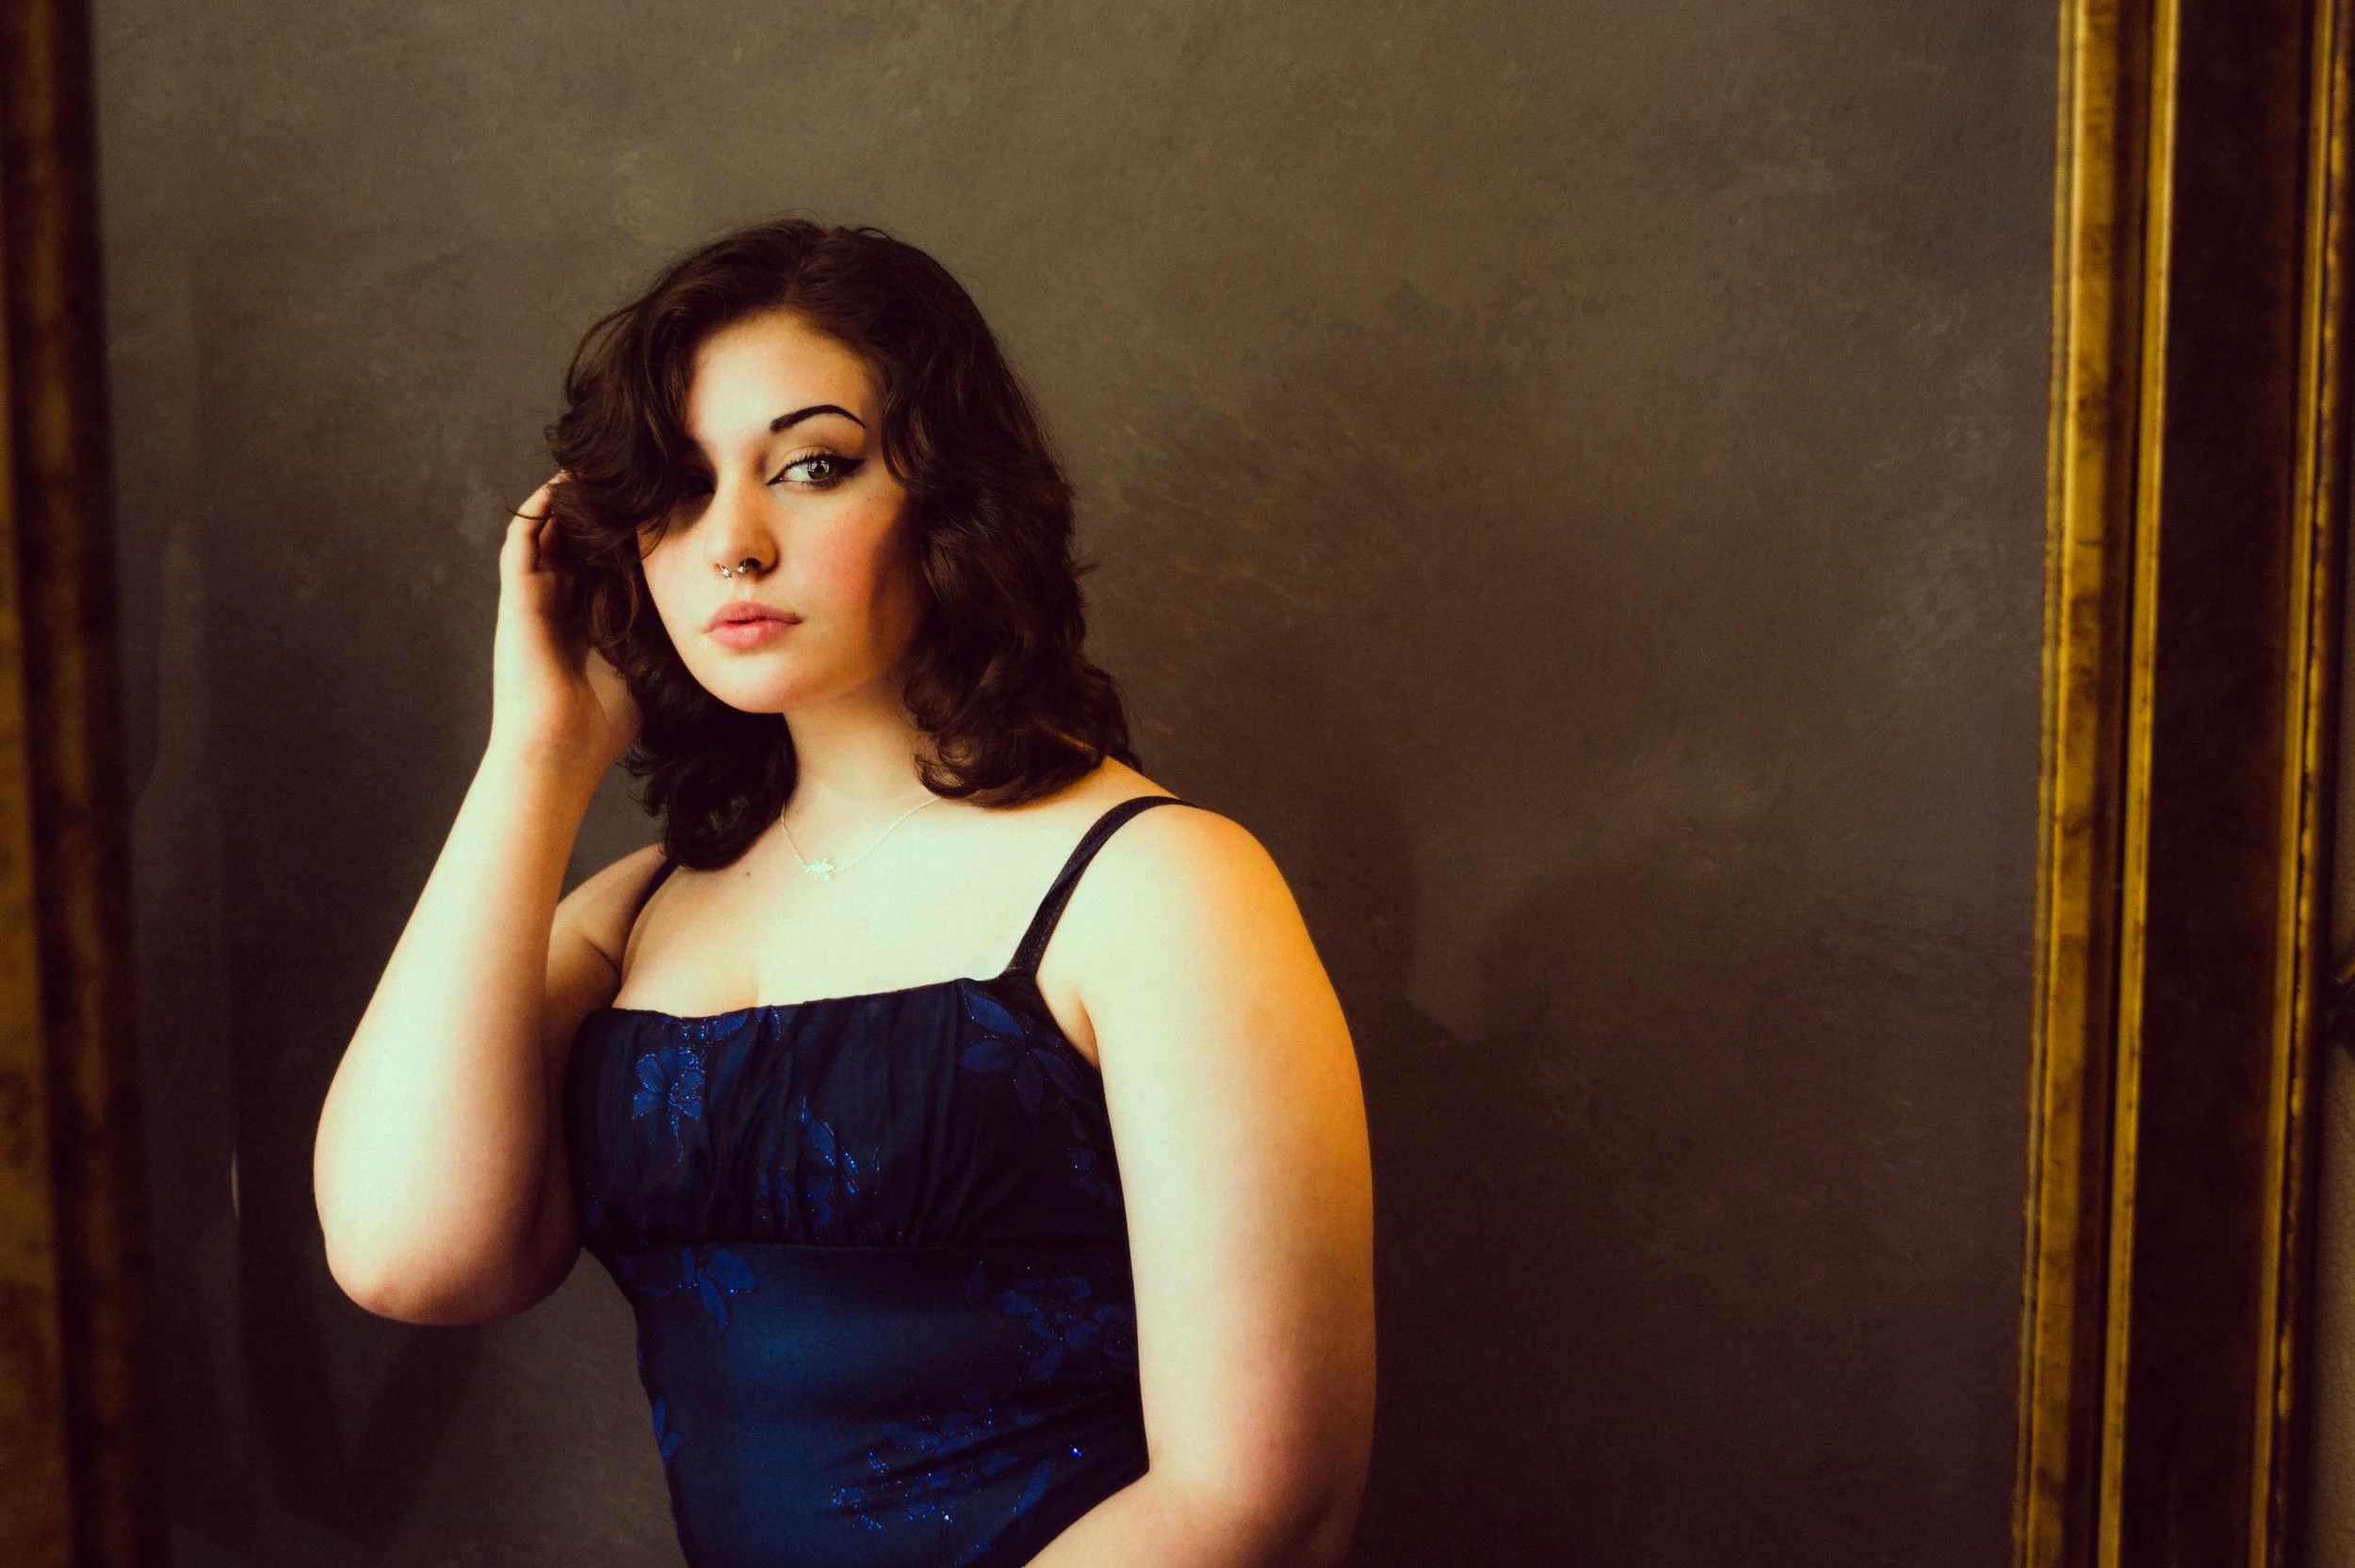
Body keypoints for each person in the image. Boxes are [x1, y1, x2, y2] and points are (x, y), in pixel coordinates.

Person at [311, 217, 1375, 1568]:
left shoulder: (1161, 888)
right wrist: (537, 755)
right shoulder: (636, 913)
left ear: (951, 495)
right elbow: (411, 1255)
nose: (733, 546)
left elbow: (1256, 1501)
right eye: (680, 492)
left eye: (812, 468)